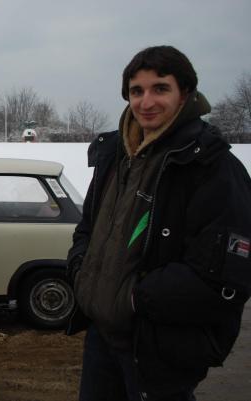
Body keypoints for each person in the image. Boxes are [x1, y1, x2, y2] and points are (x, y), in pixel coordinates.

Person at [66, 45, 251, 401]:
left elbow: (222, 275)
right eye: (137, 91)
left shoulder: (212, 166)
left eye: (160, 88)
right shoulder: (115, 156)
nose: (146, 102)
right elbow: (87, 228)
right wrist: (81, 272)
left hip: (158, 343)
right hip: (102, 337)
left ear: (185, 93)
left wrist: (134, 299)